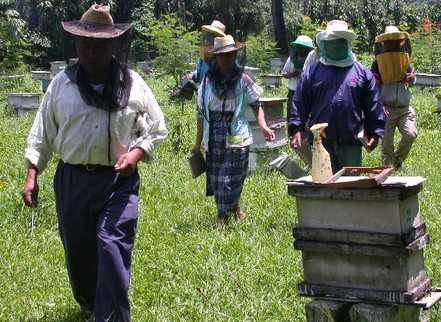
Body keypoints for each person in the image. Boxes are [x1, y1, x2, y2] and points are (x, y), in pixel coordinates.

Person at [21, 5, 168, 321]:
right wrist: (32, 173)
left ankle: (112, 315)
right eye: (85, 43)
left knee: (110, 244)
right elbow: (43, 130)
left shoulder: (132, 83)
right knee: (79, 251)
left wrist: (137, 153)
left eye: (99, 44)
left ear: (112, 45)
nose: (91, 50)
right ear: (76, 46)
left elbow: (157, 126)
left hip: (118, 182)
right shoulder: (63, 84)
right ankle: (91, 302)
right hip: (73, 180)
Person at [191, 35, 275, 227]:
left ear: (235, 55)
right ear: (216, 57)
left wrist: (263, 125)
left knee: (231, 176)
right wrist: (197, 144)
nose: (227, 59)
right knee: (216, 176)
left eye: (230, 55)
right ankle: (235, 208)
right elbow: (200, 113)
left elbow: (257, 104)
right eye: (223, 56)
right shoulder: (206, 82)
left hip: (237, 134)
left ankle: (222, 218)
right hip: (213, 136)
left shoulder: (243, 80)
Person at [289, 20, 385, 172]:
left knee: (350, 189)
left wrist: (375, 131)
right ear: (325, 43)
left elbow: (373, 103)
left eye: (340, 41)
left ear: (347, 43)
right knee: (324, 187)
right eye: (332, 41)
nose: (335, 44)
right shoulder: (312, 72)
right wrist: (297, 128)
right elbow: (300, 101)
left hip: (351, 141)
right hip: (321, 142)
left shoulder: (362, 73)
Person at [371, 26, 417, 170]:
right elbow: (373, 86)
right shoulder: (377, 63)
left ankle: (397, 162)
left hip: (404, 108)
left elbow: (412, 80)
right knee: (386, 145)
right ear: (384, 43)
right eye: (390, 41)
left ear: (400, 42)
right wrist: (380, 105)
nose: (393, 44)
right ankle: (387, 171)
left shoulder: (405, 60)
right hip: (387, 109)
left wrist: (411, 78)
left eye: (396, 41)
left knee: (410, 134)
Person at [282, 35, 314, 126]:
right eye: (299, 47)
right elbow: (284, 74)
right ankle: (292, 134)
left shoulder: (311, 60)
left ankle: (304, 135)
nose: (301, 50)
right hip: (293, 91)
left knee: (305, 115)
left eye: (303, 48)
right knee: (291, 115)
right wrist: (293, 74)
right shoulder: (291, 59)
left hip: (306, 92)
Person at [192, 20, 226, 85]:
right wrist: (192, 76)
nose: (208, 40)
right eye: (209, 36)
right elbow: (198, 72)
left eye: (212, 37)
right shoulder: (203, 57)